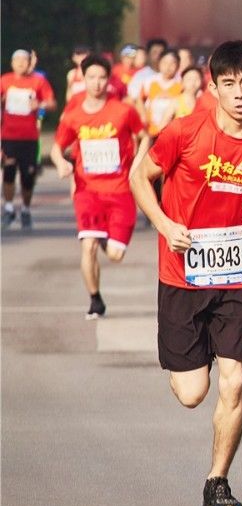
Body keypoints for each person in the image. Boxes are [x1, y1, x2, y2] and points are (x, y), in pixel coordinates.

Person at [129, 40, 242, 506]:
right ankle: (185, 365)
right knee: (192, 393)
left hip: (238, 275)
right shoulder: (184, 132)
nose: (240, 93)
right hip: (182, 273)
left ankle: (217, 480)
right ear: (214, 86)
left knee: (235, 381)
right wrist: (165, 225)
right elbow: (141, 177)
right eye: (230, 84)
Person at [50, 55, 146, 319]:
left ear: (109, 80)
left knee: (115, 255)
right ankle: (95, 299)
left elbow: (144, 134)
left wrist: (138, 162)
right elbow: (57, 148)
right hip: (87, 190)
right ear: (83, 79)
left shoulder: (123, 111)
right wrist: (61, 164)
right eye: (91, 77)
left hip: (120, 191)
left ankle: (106, 237)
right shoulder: (74, 115)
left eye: (102, 77)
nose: (96, 83)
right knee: (87, 244)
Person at [1, 49, 56, 228]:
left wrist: (39, 104)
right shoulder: (5, 80)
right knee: (8, 172)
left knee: (27, 176)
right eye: (17, 60)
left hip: (29, 136)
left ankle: (25, 209)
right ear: (12, 63)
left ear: (29, 62)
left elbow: (52, 103)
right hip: (8, 135)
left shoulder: (38, 82)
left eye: (24, 60)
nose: (21, 64)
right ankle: (8, 209)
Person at [137, 48, 191, 139]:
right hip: (151, 131)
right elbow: (139, 100)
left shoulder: (182, 84)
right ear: (159, 64)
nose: (168, 67)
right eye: (165, 63)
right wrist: (143, 116)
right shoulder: (150, 81)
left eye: (172, 63)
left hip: (173, 133)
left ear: (178, 66)